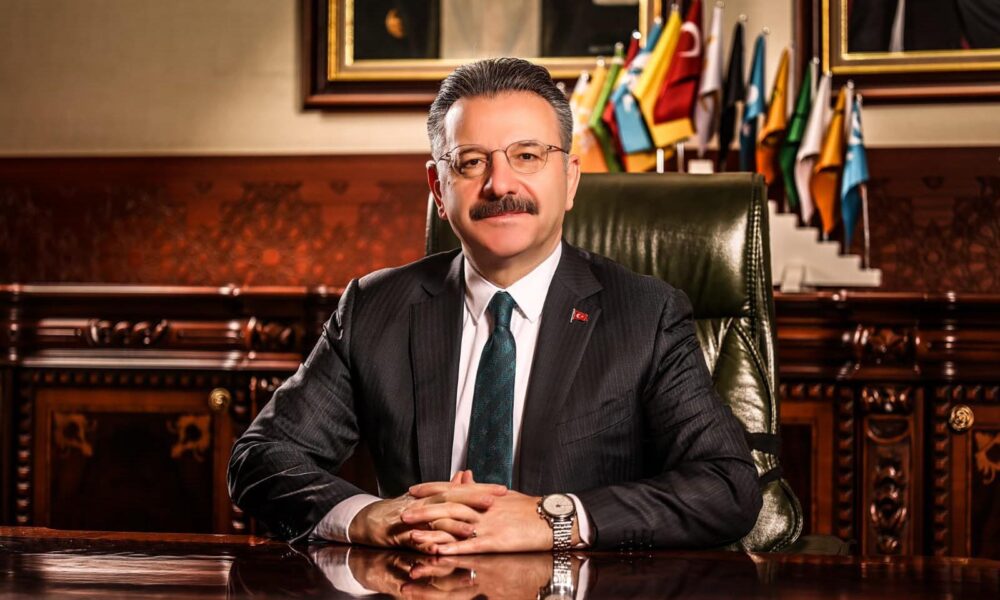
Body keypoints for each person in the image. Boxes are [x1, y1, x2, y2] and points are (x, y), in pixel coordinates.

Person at [228, 57, 761, 554]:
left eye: (527, 156)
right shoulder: (376, 307)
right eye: (471, 162)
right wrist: (367, 515)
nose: (500, 183)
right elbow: (261, 459)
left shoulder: (645, 314)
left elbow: (725, 484)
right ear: (439, 188)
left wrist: (555, 518)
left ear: (570, 179)